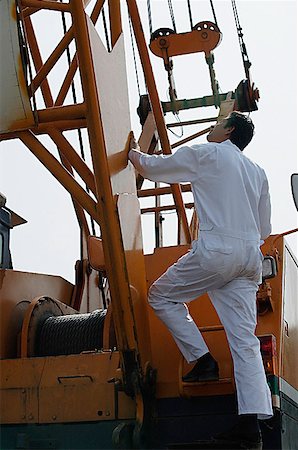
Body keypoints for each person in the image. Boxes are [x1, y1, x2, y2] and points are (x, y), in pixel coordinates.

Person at [128, 111, 272, 449]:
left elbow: (151, 168)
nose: (213, 127)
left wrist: (133, 150)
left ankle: (202, 359)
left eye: (219, 124)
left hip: (216, 250)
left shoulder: (208, 154)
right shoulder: (258, 172)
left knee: (161, 295)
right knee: (245, 342)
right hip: (250, 258)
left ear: (229, 131)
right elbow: (265, 229)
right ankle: (250, 426)